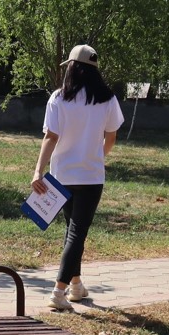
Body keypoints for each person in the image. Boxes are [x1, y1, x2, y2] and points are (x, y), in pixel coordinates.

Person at [31, 44, 124, 311]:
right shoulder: (107, 99)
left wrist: (38, 171)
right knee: (76, 233)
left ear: (71, 68)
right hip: (91, 176)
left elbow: (50, 136)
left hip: (61, 175)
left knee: (73, 232)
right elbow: (111, 136)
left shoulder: (59, 98)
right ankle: (59, 292)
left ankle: (76, 286)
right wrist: (97, 156)